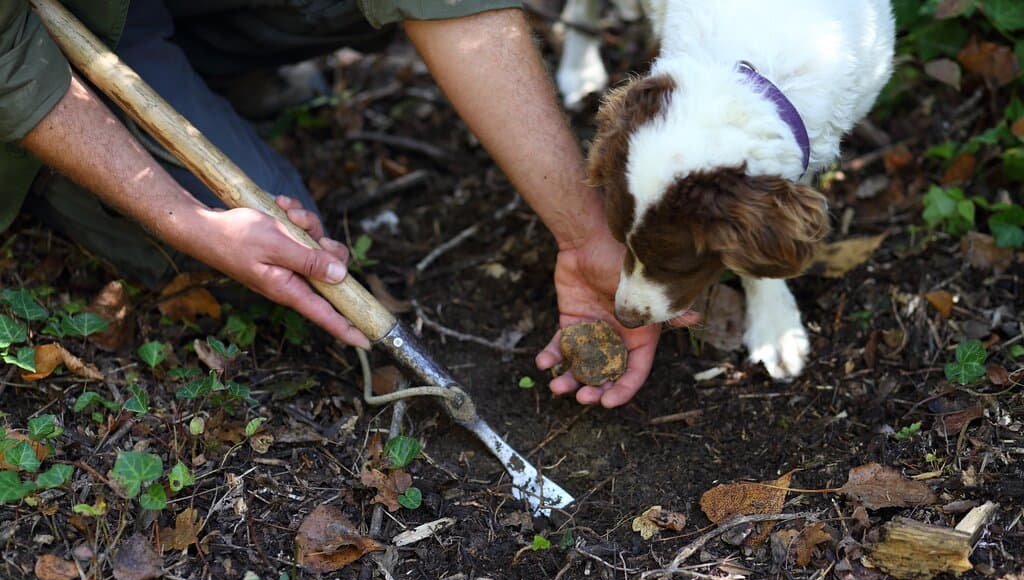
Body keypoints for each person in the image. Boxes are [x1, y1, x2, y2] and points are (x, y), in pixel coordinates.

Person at [1, 0, 693, 407]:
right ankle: (57, 171)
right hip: (35, 44)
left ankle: (201, 69)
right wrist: (193, 222)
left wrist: (583, 235)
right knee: (279, 258)